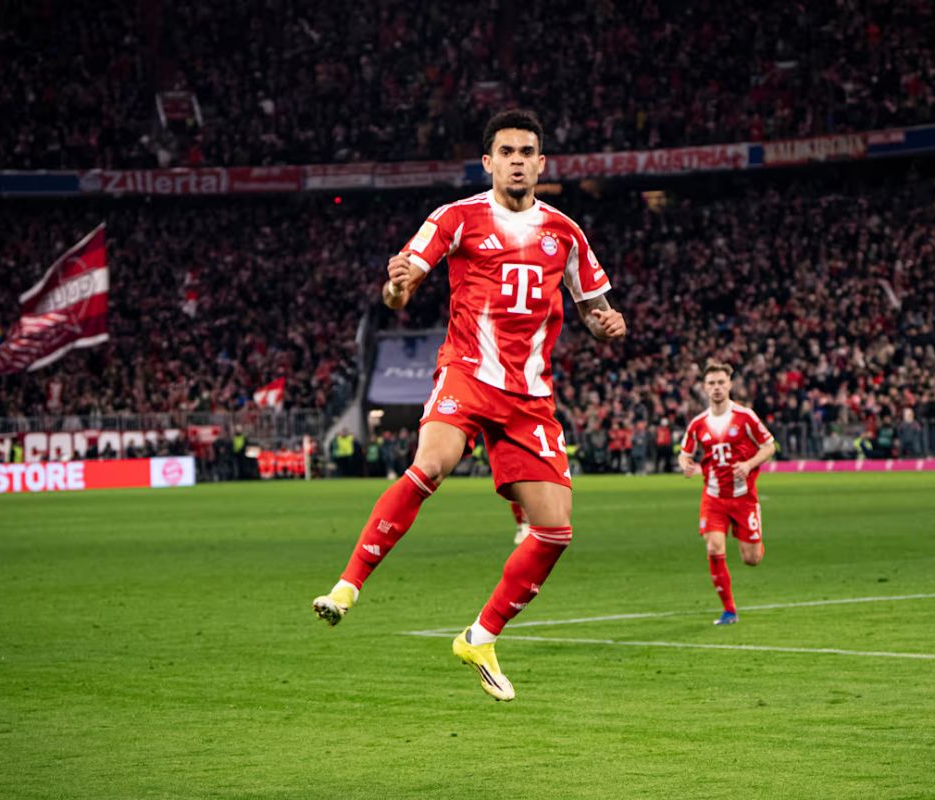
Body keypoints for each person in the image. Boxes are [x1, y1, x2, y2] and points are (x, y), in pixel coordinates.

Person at [311, 110, 628, 700]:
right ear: (488, 162)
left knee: (555, 531)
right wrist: (395, 285)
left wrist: (609, 324)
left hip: (530, 396)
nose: (515, 159)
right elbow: (399, 287)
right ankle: (348, 586)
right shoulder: (457, 217)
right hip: (468, 373)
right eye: (505, 150)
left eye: (525, 151)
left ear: (540, 163)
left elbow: (596, 307)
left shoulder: (566, 232)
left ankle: (480, 635)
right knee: (432, 462)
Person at [678, 361, 776, 625]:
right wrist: (686, 465)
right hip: (713, 497)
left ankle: (754, 532)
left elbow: (769, 446)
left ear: (730, 384)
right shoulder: (698, 423)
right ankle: (729, 610)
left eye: (721, 382)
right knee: (713, 547)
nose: (717, 388)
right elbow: (684, 453)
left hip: (743, 497)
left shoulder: (745, 417)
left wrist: (748, 464)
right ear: (704, 388)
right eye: (712, 383)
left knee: (751, 559)